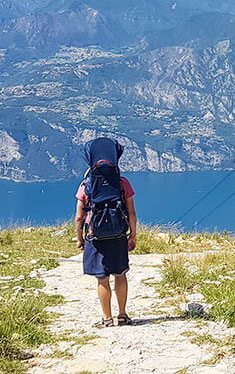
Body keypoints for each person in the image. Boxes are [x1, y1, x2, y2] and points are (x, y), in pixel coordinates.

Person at [75, 137, 137, 328]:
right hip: (118, 235)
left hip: (95, 237)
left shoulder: (86, 185)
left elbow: (78, 217)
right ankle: (123, 315)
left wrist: (80, 239)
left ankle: (107, 319)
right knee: (120, 274)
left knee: (102, 278)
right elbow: (132, 212)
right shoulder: (122, 183)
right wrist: (132, 235)